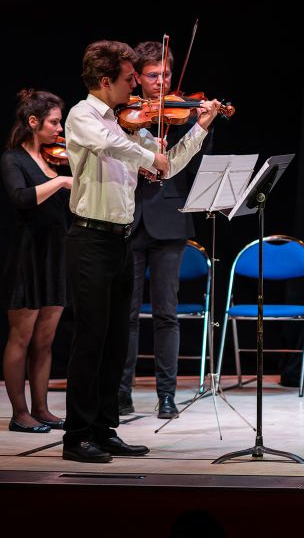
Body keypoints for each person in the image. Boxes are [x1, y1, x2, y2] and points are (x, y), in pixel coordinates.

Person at [62, 40, 219, 463]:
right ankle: (76, 435)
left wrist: (201, 128)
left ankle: (104, 427)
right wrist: (148, 152)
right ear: (104, 80)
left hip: (120, 238)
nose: (136, 88)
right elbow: (112, 148)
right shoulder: (84, 116)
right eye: (130, 79)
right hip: (90, 238)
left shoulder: (128, 126)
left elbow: (168, 163)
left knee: (114, 341)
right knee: (90, 340)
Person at [118, 41, 212, 419]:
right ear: (137, 77)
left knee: (166, 313)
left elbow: (196, 164)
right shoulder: (123, 116)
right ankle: (121, 392)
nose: (161, 82)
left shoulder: (182, 115)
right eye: (153, 76)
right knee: (124, 313)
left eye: (166, 75)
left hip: (169, 221)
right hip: (129, 216)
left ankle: (167, 395)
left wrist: (200, 123)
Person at [1, 90, 72, 433]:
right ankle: (19, 412)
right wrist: (60, 182)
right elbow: (21, 198)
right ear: (34, 122)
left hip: (56, 255)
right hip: (27, 256)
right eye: (55, 122)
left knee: (45, 339)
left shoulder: (56, 158)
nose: (60, 128)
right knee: (21, 336)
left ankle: (42, 408)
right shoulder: (13, 159)